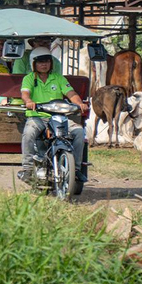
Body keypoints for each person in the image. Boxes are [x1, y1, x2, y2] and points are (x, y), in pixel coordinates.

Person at [18, 47, 88, 184]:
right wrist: (29, 101)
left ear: (51, 63)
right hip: (37, 117)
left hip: (59, 118)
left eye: (47, 61)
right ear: (34, 64)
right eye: (40, 62)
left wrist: (79, 104)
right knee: (28, 133)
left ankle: (76, 170)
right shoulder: (29, 78)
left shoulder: (58, 78)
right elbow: (25, 93)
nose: (44, 64)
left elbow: (71, 93)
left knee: (79, 131)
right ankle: (27, 169)